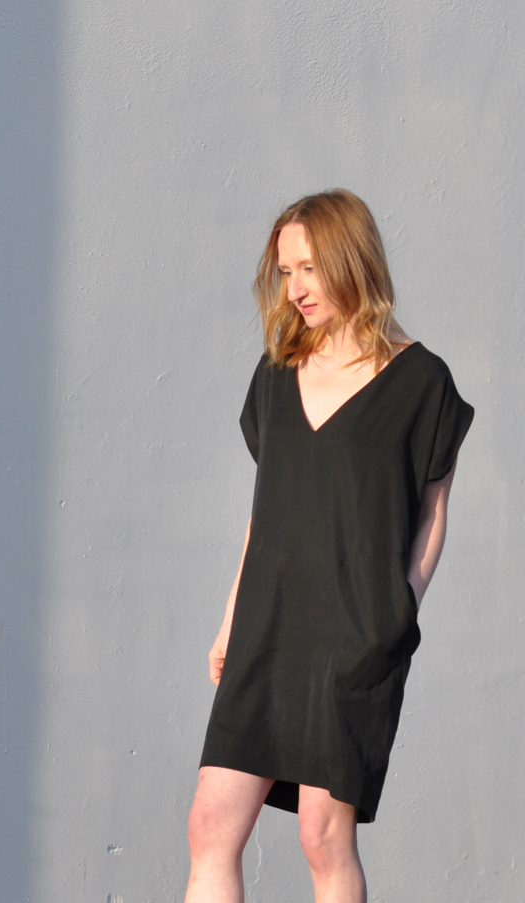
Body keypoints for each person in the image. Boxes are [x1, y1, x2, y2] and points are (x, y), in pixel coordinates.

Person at [184, 190, 474, 903]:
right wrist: (230, 619)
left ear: (352, 259)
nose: (296, 288)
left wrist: (399, 611)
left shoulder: (422, 382)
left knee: (322, 835)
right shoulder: (276, 370)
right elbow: (267, 512)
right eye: (286, 272)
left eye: (309, 268)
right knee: (210, 824)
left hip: (355, 637)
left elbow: (433, 512)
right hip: (267, 628)